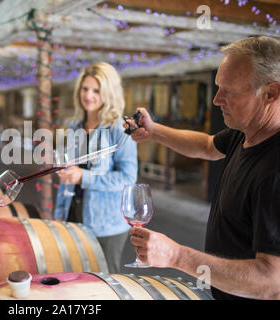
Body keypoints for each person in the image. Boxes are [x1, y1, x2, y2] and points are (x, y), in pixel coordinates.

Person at [123, 36, 280, 300]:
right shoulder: (246, 132)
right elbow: (207, 145)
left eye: (229, 91)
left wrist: (176, 256)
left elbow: (272, 282)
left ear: (271, 93)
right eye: (218, 88)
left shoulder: (275, 170)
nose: (217, 100)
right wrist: (154, 131)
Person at [53, 62, 138, 274]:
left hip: (104, 224)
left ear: (108, 93)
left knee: (103, 283)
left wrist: (84, 177)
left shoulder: (120, 130)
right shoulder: (74, 126)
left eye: (96, 90)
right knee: (73, 277)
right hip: (72, 213)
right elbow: (74, 168)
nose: (88, 95)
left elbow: (128, 178)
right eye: (85, 88)